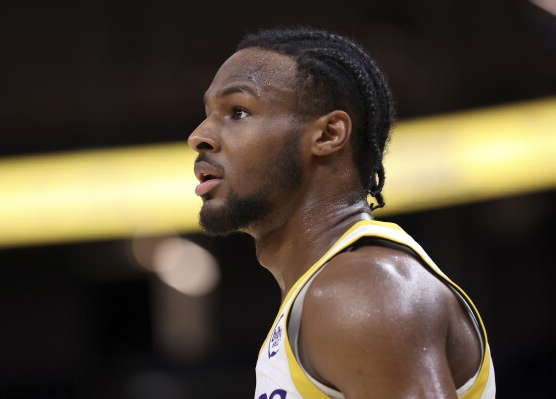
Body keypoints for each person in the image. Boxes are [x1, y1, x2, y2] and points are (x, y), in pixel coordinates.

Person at [188, 27, 495, 399]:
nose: (199, 135)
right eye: (208, 114)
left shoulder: (360, 290)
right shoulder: (330, 290)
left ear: (329, 134)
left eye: (237, 112)